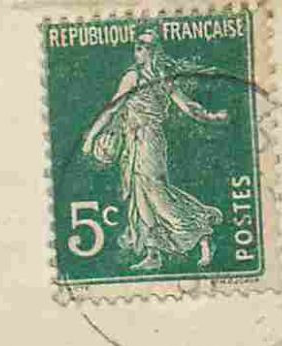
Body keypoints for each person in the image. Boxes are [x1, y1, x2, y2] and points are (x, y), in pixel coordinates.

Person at [81, 25, 229, 271]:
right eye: (136, 46)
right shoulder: (148, 77)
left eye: (142, 47)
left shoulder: (142, 78)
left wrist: (90, 138)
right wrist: (211, 117)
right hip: (135, 140)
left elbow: (112, 109)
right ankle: (153, 253)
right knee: (141, 197)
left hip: (148, 140)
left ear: (151, 51)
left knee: (156, 194)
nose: (137, 51)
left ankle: (201, 232)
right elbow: (188, 107)